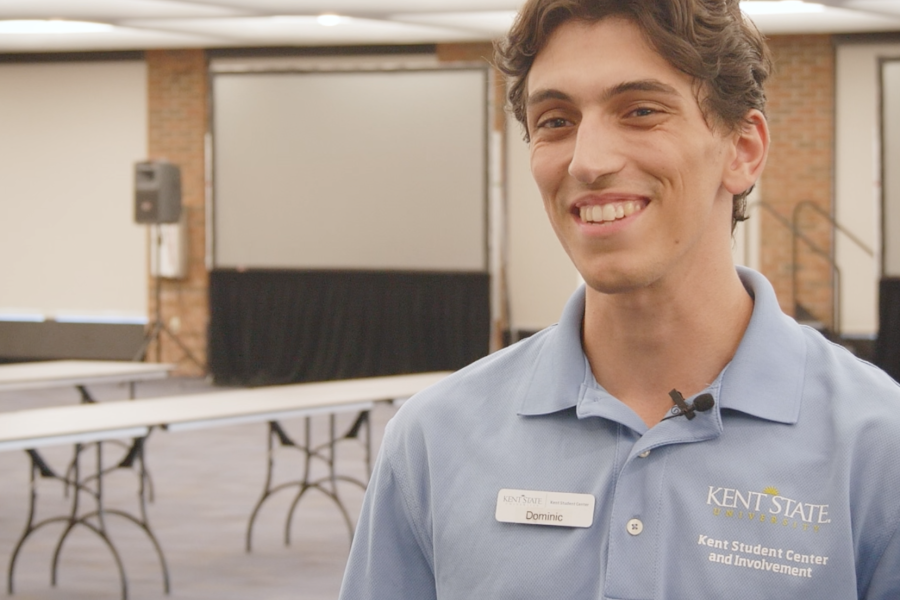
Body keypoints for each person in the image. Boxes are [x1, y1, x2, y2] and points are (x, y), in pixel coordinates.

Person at [338, 0, 900, 598]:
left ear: (742, 149)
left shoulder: (876, 447)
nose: (589, 161)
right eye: (556, 121)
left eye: (640, 111)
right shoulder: (435, 439)